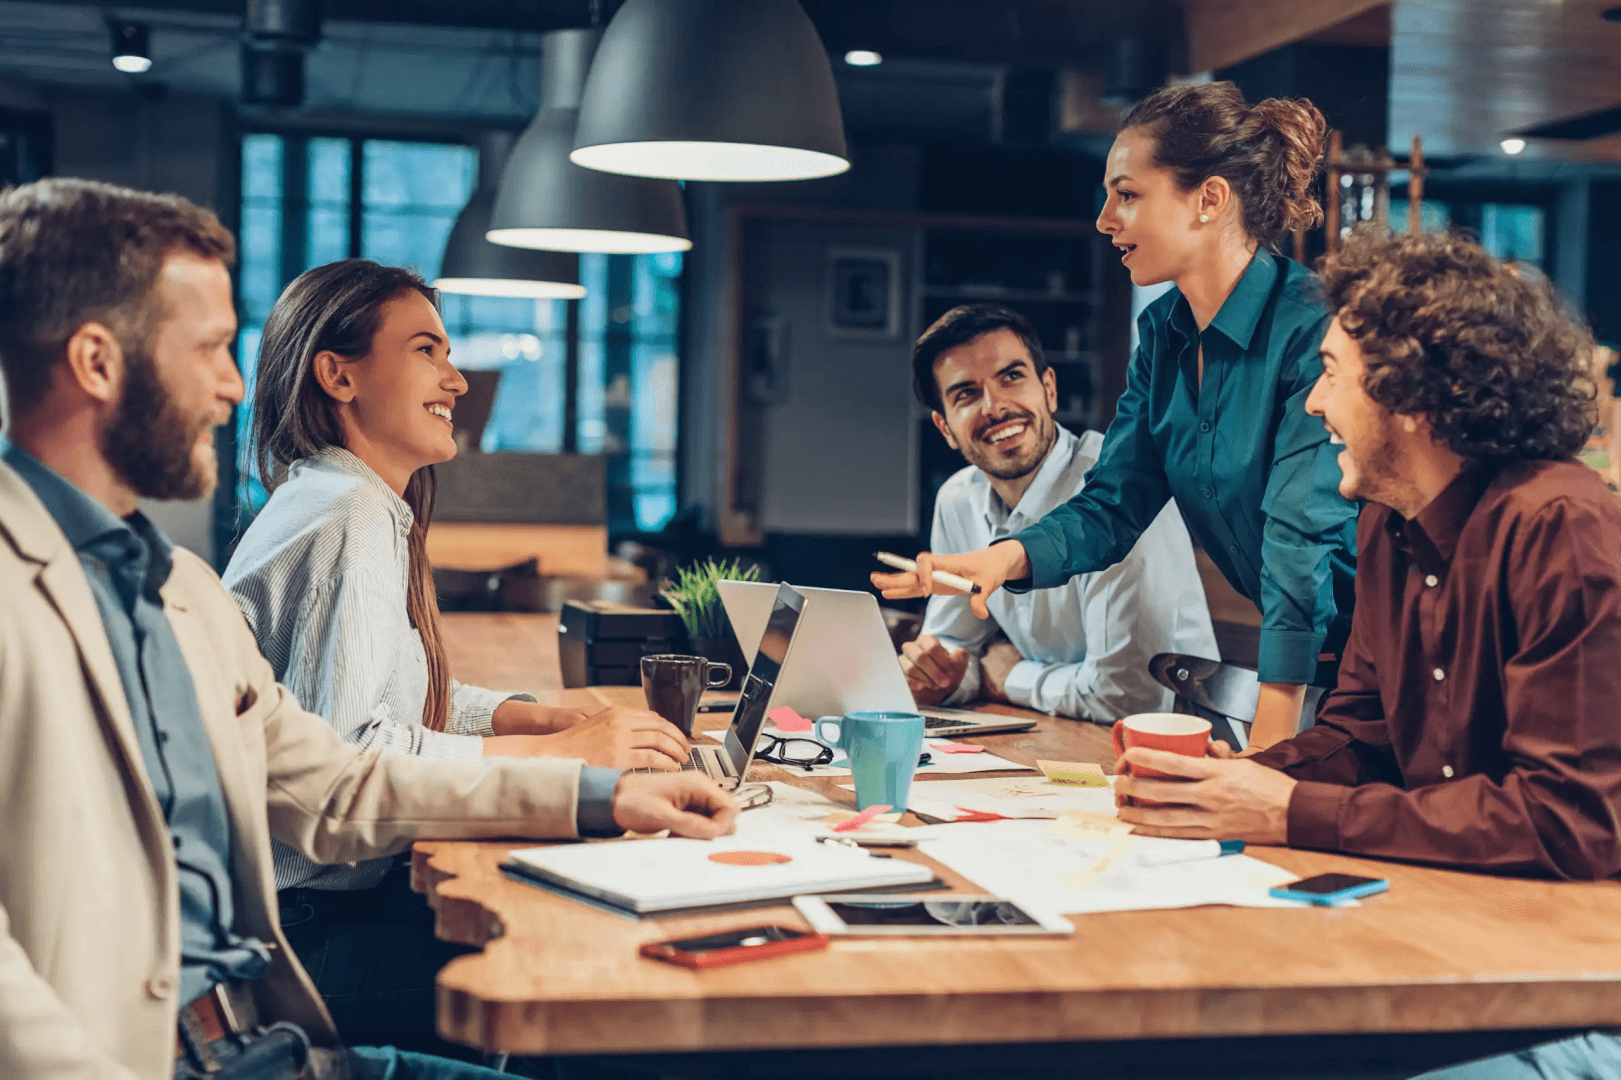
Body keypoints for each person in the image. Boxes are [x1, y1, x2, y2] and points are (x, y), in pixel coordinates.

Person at [0, 176, 737, 1080]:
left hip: (243, 1029)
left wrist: (597, 792)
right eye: (209, 350)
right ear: (97, 362)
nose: (235, 386)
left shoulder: (174, 590)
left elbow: (335, 783)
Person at [220, 259, 696, 1051]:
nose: (459, 379)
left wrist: (535, 717)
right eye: (426, 350)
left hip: (313, 914)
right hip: (307, 939)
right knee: (595, 973)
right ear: (338, 375)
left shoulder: (340, 497)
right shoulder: (347, 517)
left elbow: (388, 695)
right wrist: (561, 755)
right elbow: (351, 758)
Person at [1109, 230, 1621, 888]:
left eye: (1328, 373)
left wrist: (1289, 810)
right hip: (1461, 900)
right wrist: (1246, 780)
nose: (1313, 402)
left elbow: (1568, 825)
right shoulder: (1386, 520)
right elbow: (1362, 736)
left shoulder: (1559, 526)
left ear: (1411, 396)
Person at [874, 81, 1359, 750]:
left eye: (1126, 195)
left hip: (1397, 656)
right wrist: (1002, 560)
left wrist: (1268, 759)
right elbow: (1112, 502)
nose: (1105, 220)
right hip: (1331, 675)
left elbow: (1297, 547)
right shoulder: (1162, 335)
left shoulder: (1312, 328)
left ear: (1208, 200)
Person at [901, 303, 1218, 720]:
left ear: (1049, 389)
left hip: (1177, 752)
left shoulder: (1121, 489)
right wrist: (940, 674)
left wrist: (1010, 677)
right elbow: (953, 655)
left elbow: (1127, 698)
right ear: (945, 428)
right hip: (1056, 737)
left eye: (1011, 377)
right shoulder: (957, 499)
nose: (994, 407)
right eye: (967, 394)